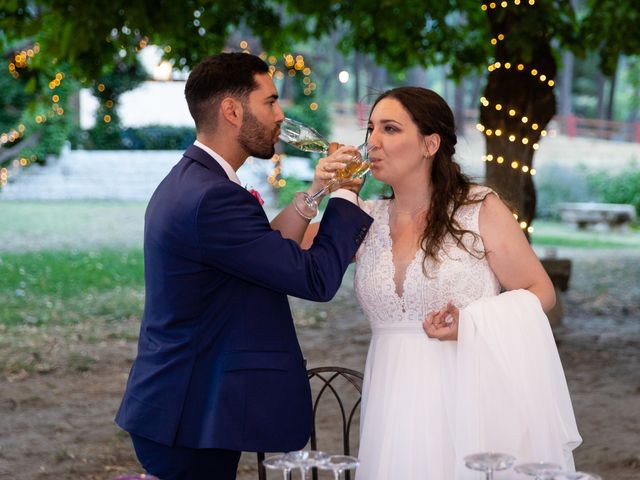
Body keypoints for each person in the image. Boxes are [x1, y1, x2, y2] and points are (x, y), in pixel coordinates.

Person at [114, 52, 373, 480]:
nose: (280, 114)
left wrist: (318, 191)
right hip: (191, 413)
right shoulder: (213, 197)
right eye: (270, 101)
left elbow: (265, 250)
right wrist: (346, 194)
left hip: (186, 405)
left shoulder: (196, 180)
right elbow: (315, 278)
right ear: (232, 111)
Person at [302, 87, 581, 479]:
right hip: (391, 401)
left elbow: (540, 291)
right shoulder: (364, 219)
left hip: (467, 396)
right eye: (370, 129)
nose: (372, 142)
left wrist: (472, 324)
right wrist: (320, 190)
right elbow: (279, 248)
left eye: (390, 129)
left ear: (429, 144)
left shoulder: (477, 208)